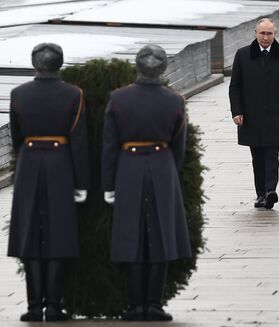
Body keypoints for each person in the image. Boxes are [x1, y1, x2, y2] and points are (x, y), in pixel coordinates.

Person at [101, 44, 192, 321]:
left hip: (128, 168)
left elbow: (109, 147)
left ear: (137, 66)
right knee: (161, 237)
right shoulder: (174, 101)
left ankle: (135, 306)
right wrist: (167, 170)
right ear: (163, 68)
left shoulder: (118, 99)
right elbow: (179, 146)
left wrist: (109, 184)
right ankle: (153, 305)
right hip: (162, 166)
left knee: (132, 237)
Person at [8, 43, 90, 322]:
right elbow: (78, 142)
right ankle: (53, 306)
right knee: (58, 236)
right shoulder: (73, 94)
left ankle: (33, 307)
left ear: (35, 64)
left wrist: (28, 160)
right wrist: (81, 183)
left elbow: (16, 138)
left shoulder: (18, 94)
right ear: (60, 64)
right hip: (60, 165)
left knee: (30, 236)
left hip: (29, 164)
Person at [229, 17, 279, 209]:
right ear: (255, 34)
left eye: (269, 33)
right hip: (251, 115)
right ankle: (260, 194)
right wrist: (236, 111)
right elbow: (235, 87)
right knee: (257, 157)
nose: (265, 37)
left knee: (272, 154)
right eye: (262, 33)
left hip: (276, 114)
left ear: (275, 34)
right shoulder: (243, 55)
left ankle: (271, 190)